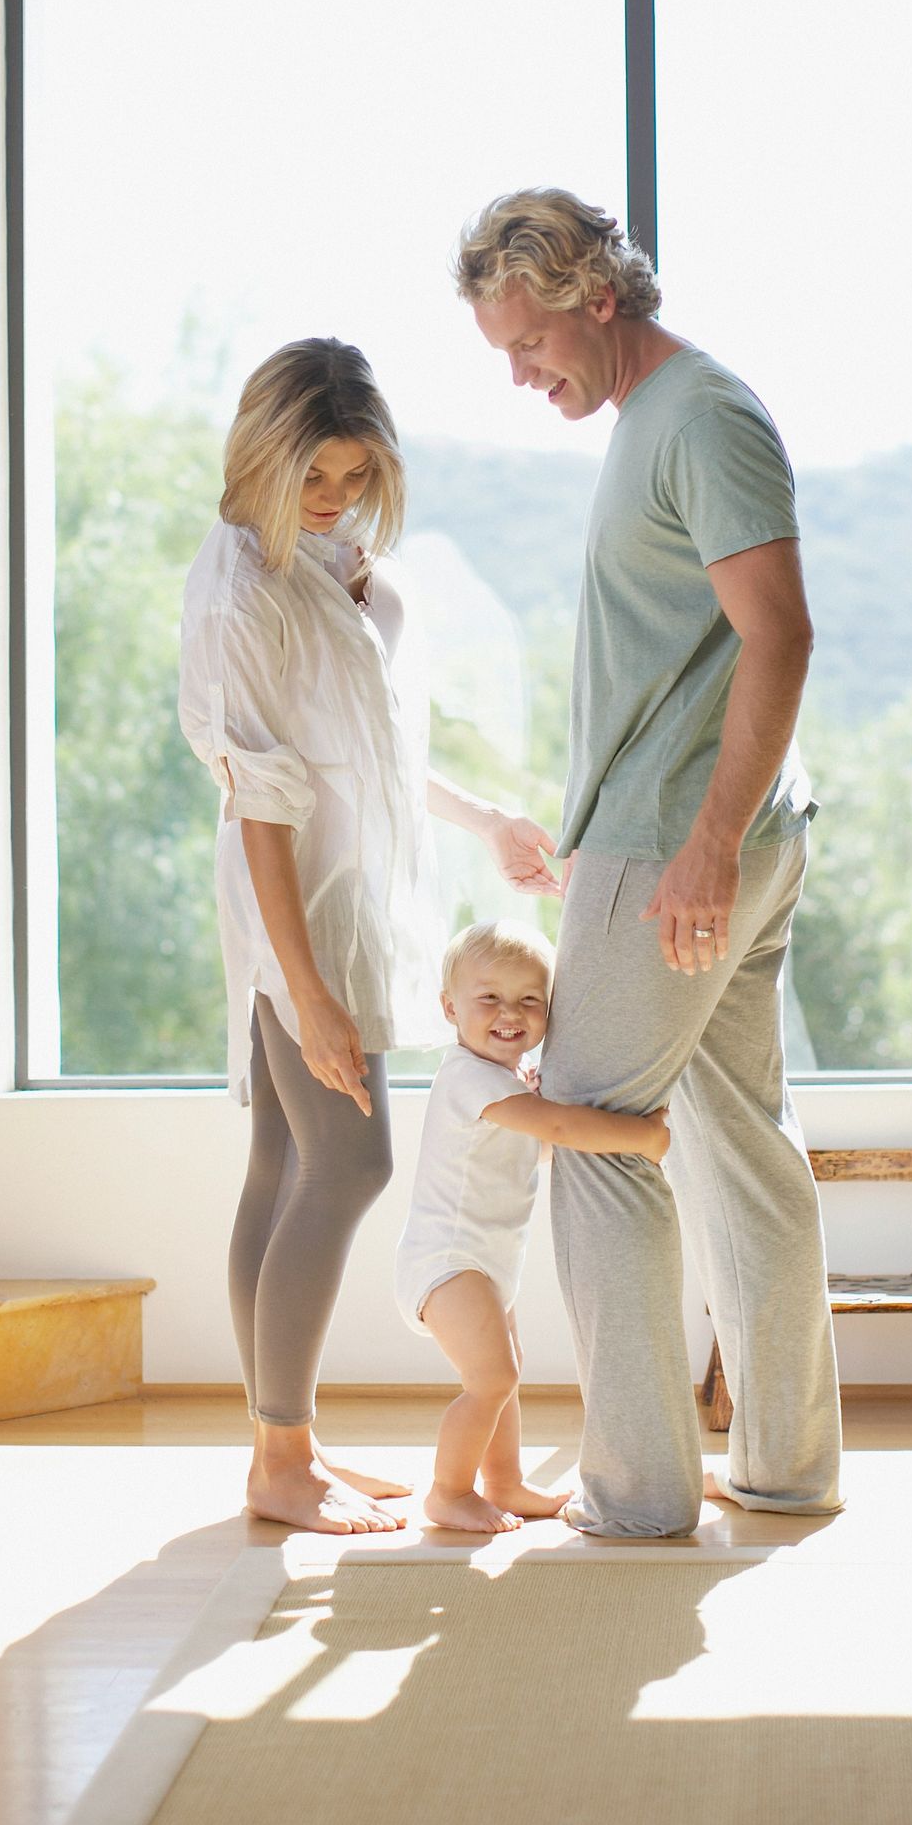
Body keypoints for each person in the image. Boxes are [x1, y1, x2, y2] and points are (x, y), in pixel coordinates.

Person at [454, 189, 843, 1540]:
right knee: (741, 1143)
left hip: (690, 847)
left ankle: (636, 1492)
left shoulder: (702, 416)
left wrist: (701, 848)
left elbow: (781, 635)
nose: (520, 374)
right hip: (689, 837)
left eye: (530, 341)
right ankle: (786, 1467)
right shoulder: (652, 421)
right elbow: (679, 662)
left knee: (595, 1136)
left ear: (599, 297)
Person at [178, 338, 558, 1537]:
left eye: (355, 476)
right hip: (299, 911)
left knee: (285, 1165)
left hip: (352, 901)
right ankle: (281, 1461)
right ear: (262, 456)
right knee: (349, 1165)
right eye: (314, 476)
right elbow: (263, 808)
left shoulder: (344, 569)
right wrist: (307, 991)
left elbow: (379, 758)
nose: (336, 499)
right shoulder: (243, 595)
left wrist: (487, 819)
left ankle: (282, 1444)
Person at [394, 918, 671, 1533]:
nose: (509, 1013)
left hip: (485, 1260)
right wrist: (642, 1136)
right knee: (491, 1378)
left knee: (505, 1374)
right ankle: (448, 1492)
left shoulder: (506, 1083)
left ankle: (504, 1484)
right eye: (489, 998)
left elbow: (538, 1147)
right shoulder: (469, 1078)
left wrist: (540, 1106)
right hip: (448, 1260)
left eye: (529, 1000)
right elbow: (562, 1129)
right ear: (449, 1008)